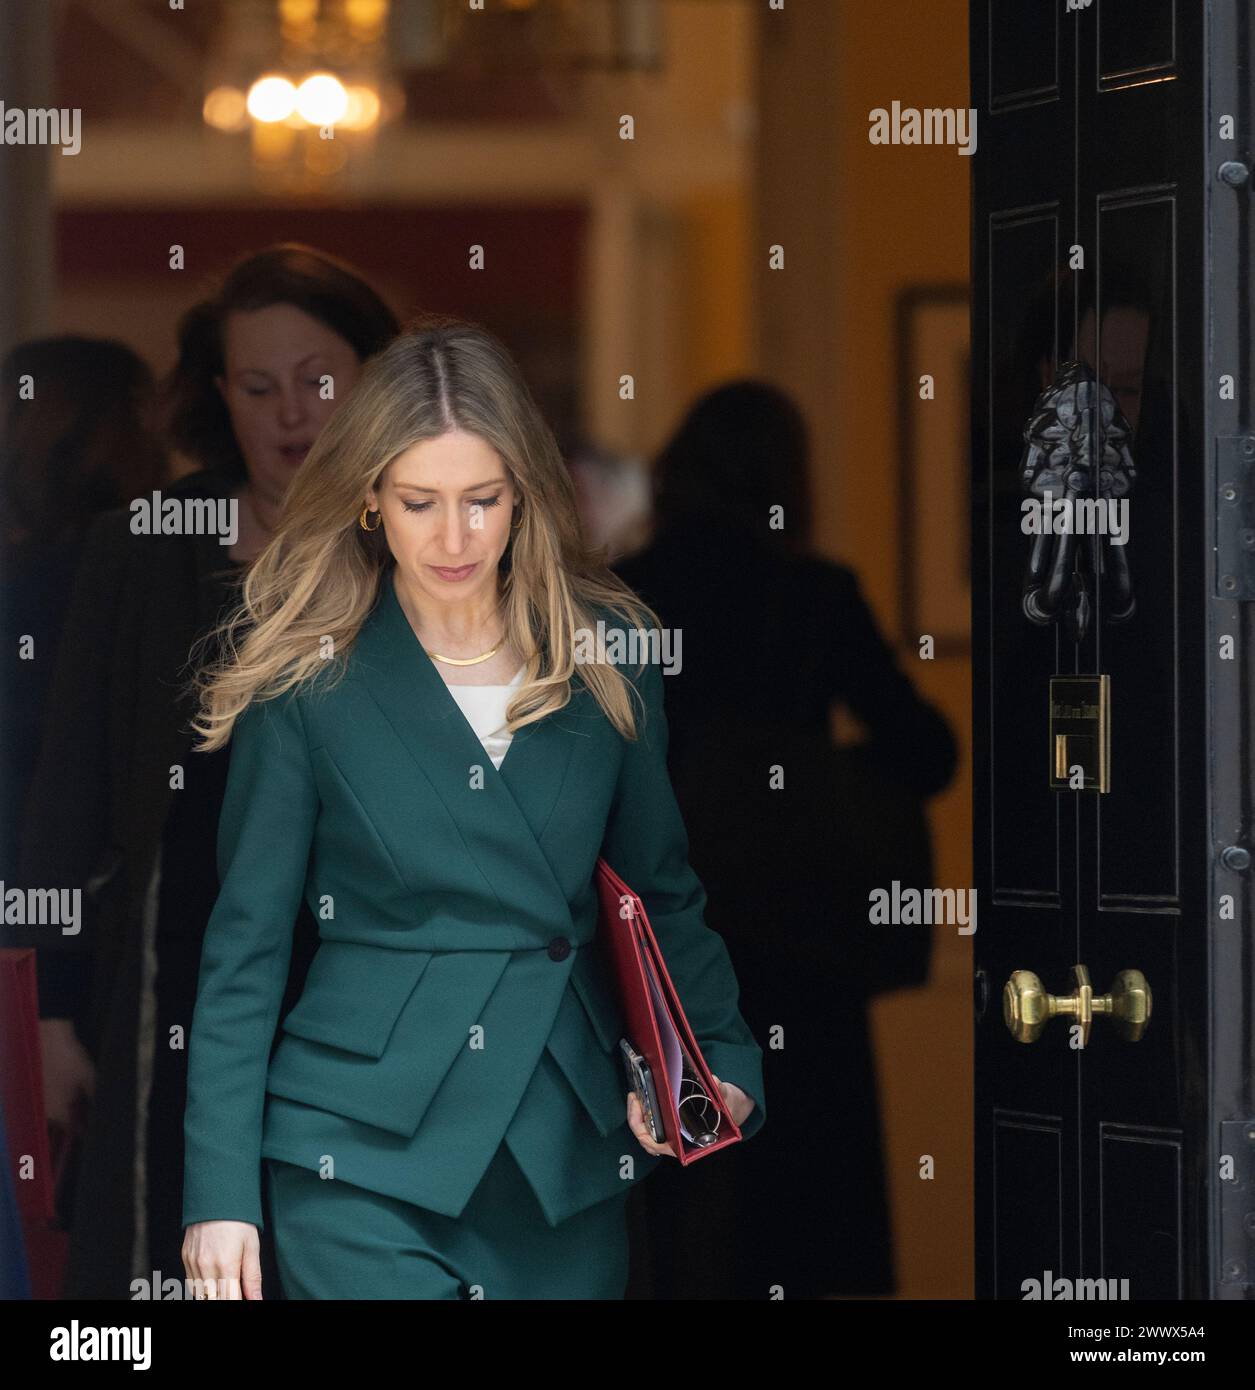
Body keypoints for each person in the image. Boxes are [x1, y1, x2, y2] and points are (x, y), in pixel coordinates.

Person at [178, 316, 765, 1301]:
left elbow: (658, 889)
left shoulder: (612, 649)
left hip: (561, 1146)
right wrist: (219, 1192)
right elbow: (247, 947)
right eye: (419, 501)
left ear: (527, 494)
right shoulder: (303, 675)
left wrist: (720, 1059)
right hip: (356, 1149)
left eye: (482, 500)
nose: (453, 538)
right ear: (370, 498)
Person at [18, 243, 399, 1299]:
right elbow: (70, 792)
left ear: (374, 378)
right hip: (177, 974)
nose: (290, 415)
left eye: (318, 381)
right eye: (258, 386)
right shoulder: (146, 548)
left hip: (380, 977)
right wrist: (49, 1014)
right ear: (219, 395)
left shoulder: (432, 544)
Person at [614, 379, 958, 1297]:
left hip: (664, 951)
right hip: (804, 947)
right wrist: (816, 769)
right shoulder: (815, 596)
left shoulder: (627, 596)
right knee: (810, 1218)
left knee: (680, 1213)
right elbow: (927, 753)